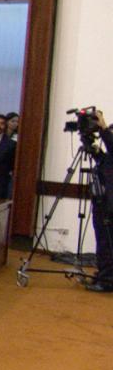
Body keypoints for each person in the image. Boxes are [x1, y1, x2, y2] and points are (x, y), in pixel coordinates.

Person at [87, 110, 113, 292]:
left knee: (107, 242)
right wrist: (91, 145)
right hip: (103, 201)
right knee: (103, 240)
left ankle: (107, 280)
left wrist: (103, 128)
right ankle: (104, 273)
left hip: (109, 205)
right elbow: (105, 162)